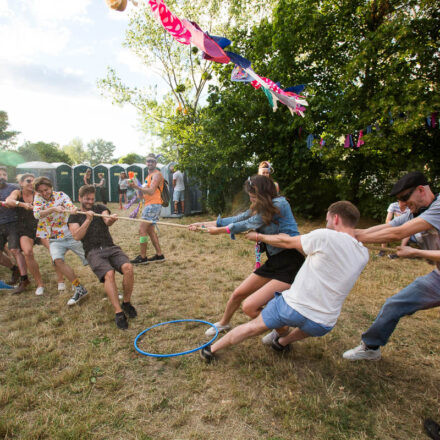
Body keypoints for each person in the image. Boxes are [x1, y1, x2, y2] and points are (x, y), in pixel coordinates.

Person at [199, 201, 369, 362]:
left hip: (292, 308)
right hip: (323, 323)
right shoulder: (363, 254)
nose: (326, 225)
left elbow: (286, 241)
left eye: (327, 220)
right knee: (309, 326)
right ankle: (282, 342)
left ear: (336, 218)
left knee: (253, 327)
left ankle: (210, 350)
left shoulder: (325, 237)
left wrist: (259, 236)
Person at [189, 175, 305, 340]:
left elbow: (246, 225)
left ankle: (282, 330)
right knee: (238, 293)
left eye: (253, 194)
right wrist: (202, 225)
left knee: (251, 307)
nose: (250, 198)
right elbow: (236, 219)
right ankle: (224, 323)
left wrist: (220, 231)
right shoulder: (259, 205)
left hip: (290, 262)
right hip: (274, 260)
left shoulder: (279, 204)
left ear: (263, 193)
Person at [343, 171, 440, 361]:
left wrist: (416, 252)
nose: (402, 205)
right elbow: (388, 227)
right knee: (394, 304)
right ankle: (371, 347)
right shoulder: (416, 213)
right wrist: (351, 234)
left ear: (421, 190)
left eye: (405, 198)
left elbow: (399, 234)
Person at [68, 185, 137, 329]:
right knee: (109, 274)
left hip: (110, 247)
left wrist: (111, 219)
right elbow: (76, 236)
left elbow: (107, 220)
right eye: (87, 199)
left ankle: (126, 303)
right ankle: (119, 313)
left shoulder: (99, 208)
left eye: (92, 199)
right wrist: (87, 220)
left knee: (128, 268)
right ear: (80, 198)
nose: (90, 201)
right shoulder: (74, 215)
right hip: (93, 251)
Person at [5, 174, 64, 295]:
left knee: (54, 250)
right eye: (28, 181)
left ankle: (61, 281)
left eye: (33, 181)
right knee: (27, 252)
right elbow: (8, 201)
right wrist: (22, 205)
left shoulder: (38, 194)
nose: (32, 183)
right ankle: (40, 284)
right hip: (25, 229)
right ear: (21, 183)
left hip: (41, 226)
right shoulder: (18, 193)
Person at [33, 176, 89, 306]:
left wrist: (73, 209)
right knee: (57, 260)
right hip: (54, 238)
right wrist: (53, 209)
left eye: (46, 190)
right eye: (41, 191)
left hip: (70, 234)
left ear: (51, 187)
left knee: (90, 258)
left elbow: (70, 205)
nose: (44, 193)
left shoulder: (61, 195)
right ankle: (79, 288)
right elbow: (36, 214)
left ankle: (109, 283)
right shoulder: (38, 199)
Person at [129, 153, 165, 264]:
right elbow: (141, 195)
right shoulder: (147, 177)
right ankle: (159, 255)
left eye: (152, 161)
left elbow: (151, 191)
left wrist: (137, 187)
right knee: (150, 230)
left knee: (142, 229)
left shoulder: (156, 175)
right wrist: (135, 187)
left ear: (155, 163)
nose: (149, 163)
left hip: (153, 205)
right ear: (146, 163)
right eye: (148, 161)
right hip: (150, 204)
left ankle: (143, 257)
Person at [0, 166, 29, 294]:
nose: (2, 177)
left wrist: (9, 201)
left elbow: (12, 200)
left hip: (12, 222)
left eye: (4, 175)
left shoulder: (13, 188)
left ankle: (24, 279)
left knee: (15, 250)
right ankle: (14, 269)